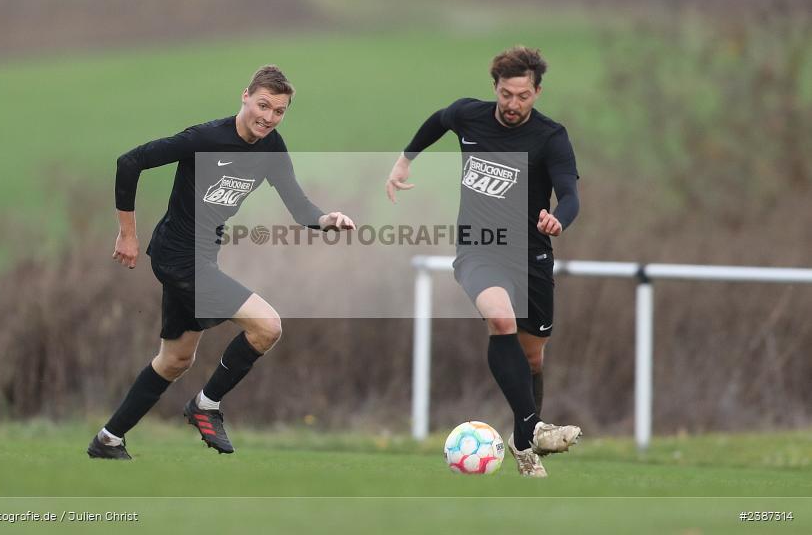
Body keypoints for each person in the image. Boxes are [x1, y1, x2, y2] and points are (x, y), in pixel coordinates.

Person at [88, 65, 355, 460]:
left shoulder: (271, 148)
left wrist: (327, 219)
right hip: (177, 257)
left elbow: (299, 207)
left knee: (175, 360)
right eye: (263, 105)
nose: (268, 117)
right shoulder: (206, 137)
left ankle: (108, 440)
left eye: (278, 111)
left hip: (203, 258)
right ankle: (206, 405)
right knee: (267, 326)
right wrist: (127, 234)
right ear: (245, 96)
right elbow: (130, 162)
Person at [385, 46, 581, 477]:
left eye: (523, 96)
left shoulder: (550, 137)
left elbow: (569, 194)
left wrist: (559, 218)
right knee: (500, 319)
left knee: (533, 359)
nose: (513, 104)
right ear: (495, 87)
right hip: (479, 248)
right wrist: (404, 161)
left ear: (537, 92)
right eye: (506, 94)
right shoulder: (468, 115)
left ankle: (523, 439)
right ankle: (533, 435)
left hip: (530, 255)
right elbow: (438, 121)